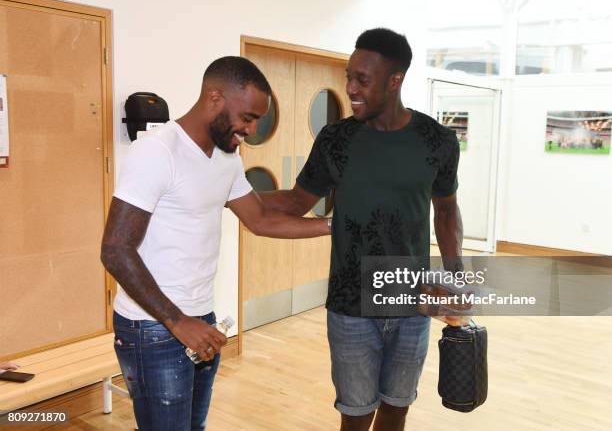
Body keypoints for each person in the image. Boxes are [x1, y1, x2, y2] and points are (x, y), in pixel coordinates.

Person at [100, 56, 330, 431]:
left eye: (257, 120)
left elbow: (260, 218)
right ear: (215, 98)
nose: (251, 130)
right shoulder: (158, 152)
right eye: (248, 117)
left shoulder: (227, 157)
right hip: (153, 326)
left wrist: (336, 226)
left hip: (201, 317)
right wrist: (177, 321)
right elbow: (115, 249)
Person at [258, 28, 463, 431]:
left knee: (397, 409)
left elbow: (446, 211)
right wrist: (233, 195)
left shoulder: (436, 141)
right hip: (351, 306)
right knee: (354, 414)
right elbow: (297, 203)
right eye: (348, 76)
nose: (350, 88)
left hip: (412, 304)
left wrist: (456, 276)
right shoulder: (337, 139)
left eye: (362, 80)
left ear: (394, 80)